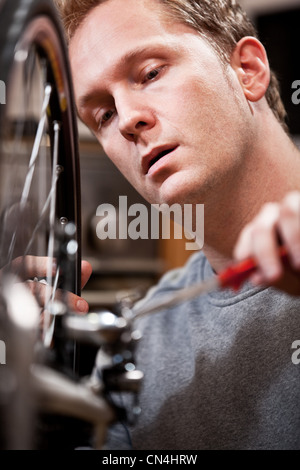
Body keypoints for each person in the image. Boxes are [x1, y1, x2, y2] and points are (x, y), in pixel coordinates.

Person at [54, 0, 300, 449]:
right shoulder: (140, 341)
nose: (128, 119)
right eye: (104, 115)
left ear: (246, 70)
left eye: (150, 73)